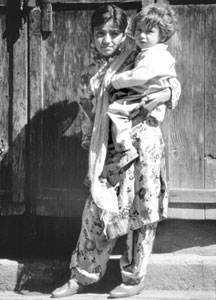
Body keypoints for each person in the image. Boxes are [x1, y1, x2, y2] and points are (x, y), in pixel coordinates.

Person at [51, 3, 181, 299]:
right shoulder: (89, 75)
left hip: (144, 146)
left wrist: (166, 93)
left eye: (114, 33)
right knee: (97, 211)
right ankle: (82, 277)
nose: (107, 40)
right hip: (108, 152)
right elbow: (87, 118)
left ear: (126, 34)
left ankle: (134, 279)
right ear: (92, 36)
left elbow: (173, 85)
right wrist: (92, 156)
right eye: (100, 33)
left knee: (142, 212)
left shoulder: (143, 57)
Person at [105, 3, 178, 184]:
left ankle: (125, 148)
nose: (142, 36)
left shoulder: (154, 56)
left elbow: (142, 77)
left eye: (149, 32)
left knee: (115, 111)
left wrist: (116, 81)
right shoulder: (139, 54)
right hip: (138, 111)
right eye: (138, 31)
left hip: (144, 120)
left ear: (162, 34)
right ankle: (124, 148)